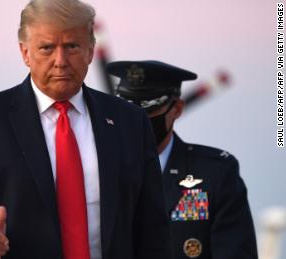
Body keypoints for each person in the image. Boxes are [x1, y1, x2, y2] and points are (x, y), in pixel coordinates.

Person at [0, 1, 171, 259]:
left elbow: (152, 228)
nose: (60, 61)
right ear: (25, 53)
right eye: (47, 48)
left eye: (72, 46)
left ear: (90, 51)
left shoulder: (130, 122)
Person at [106, 60, 258, 259]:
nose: (138, 120)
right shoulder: (97, 169)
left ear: (176, 108)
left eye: (148, 110)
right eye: (128, 110)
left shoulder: (216, 174)